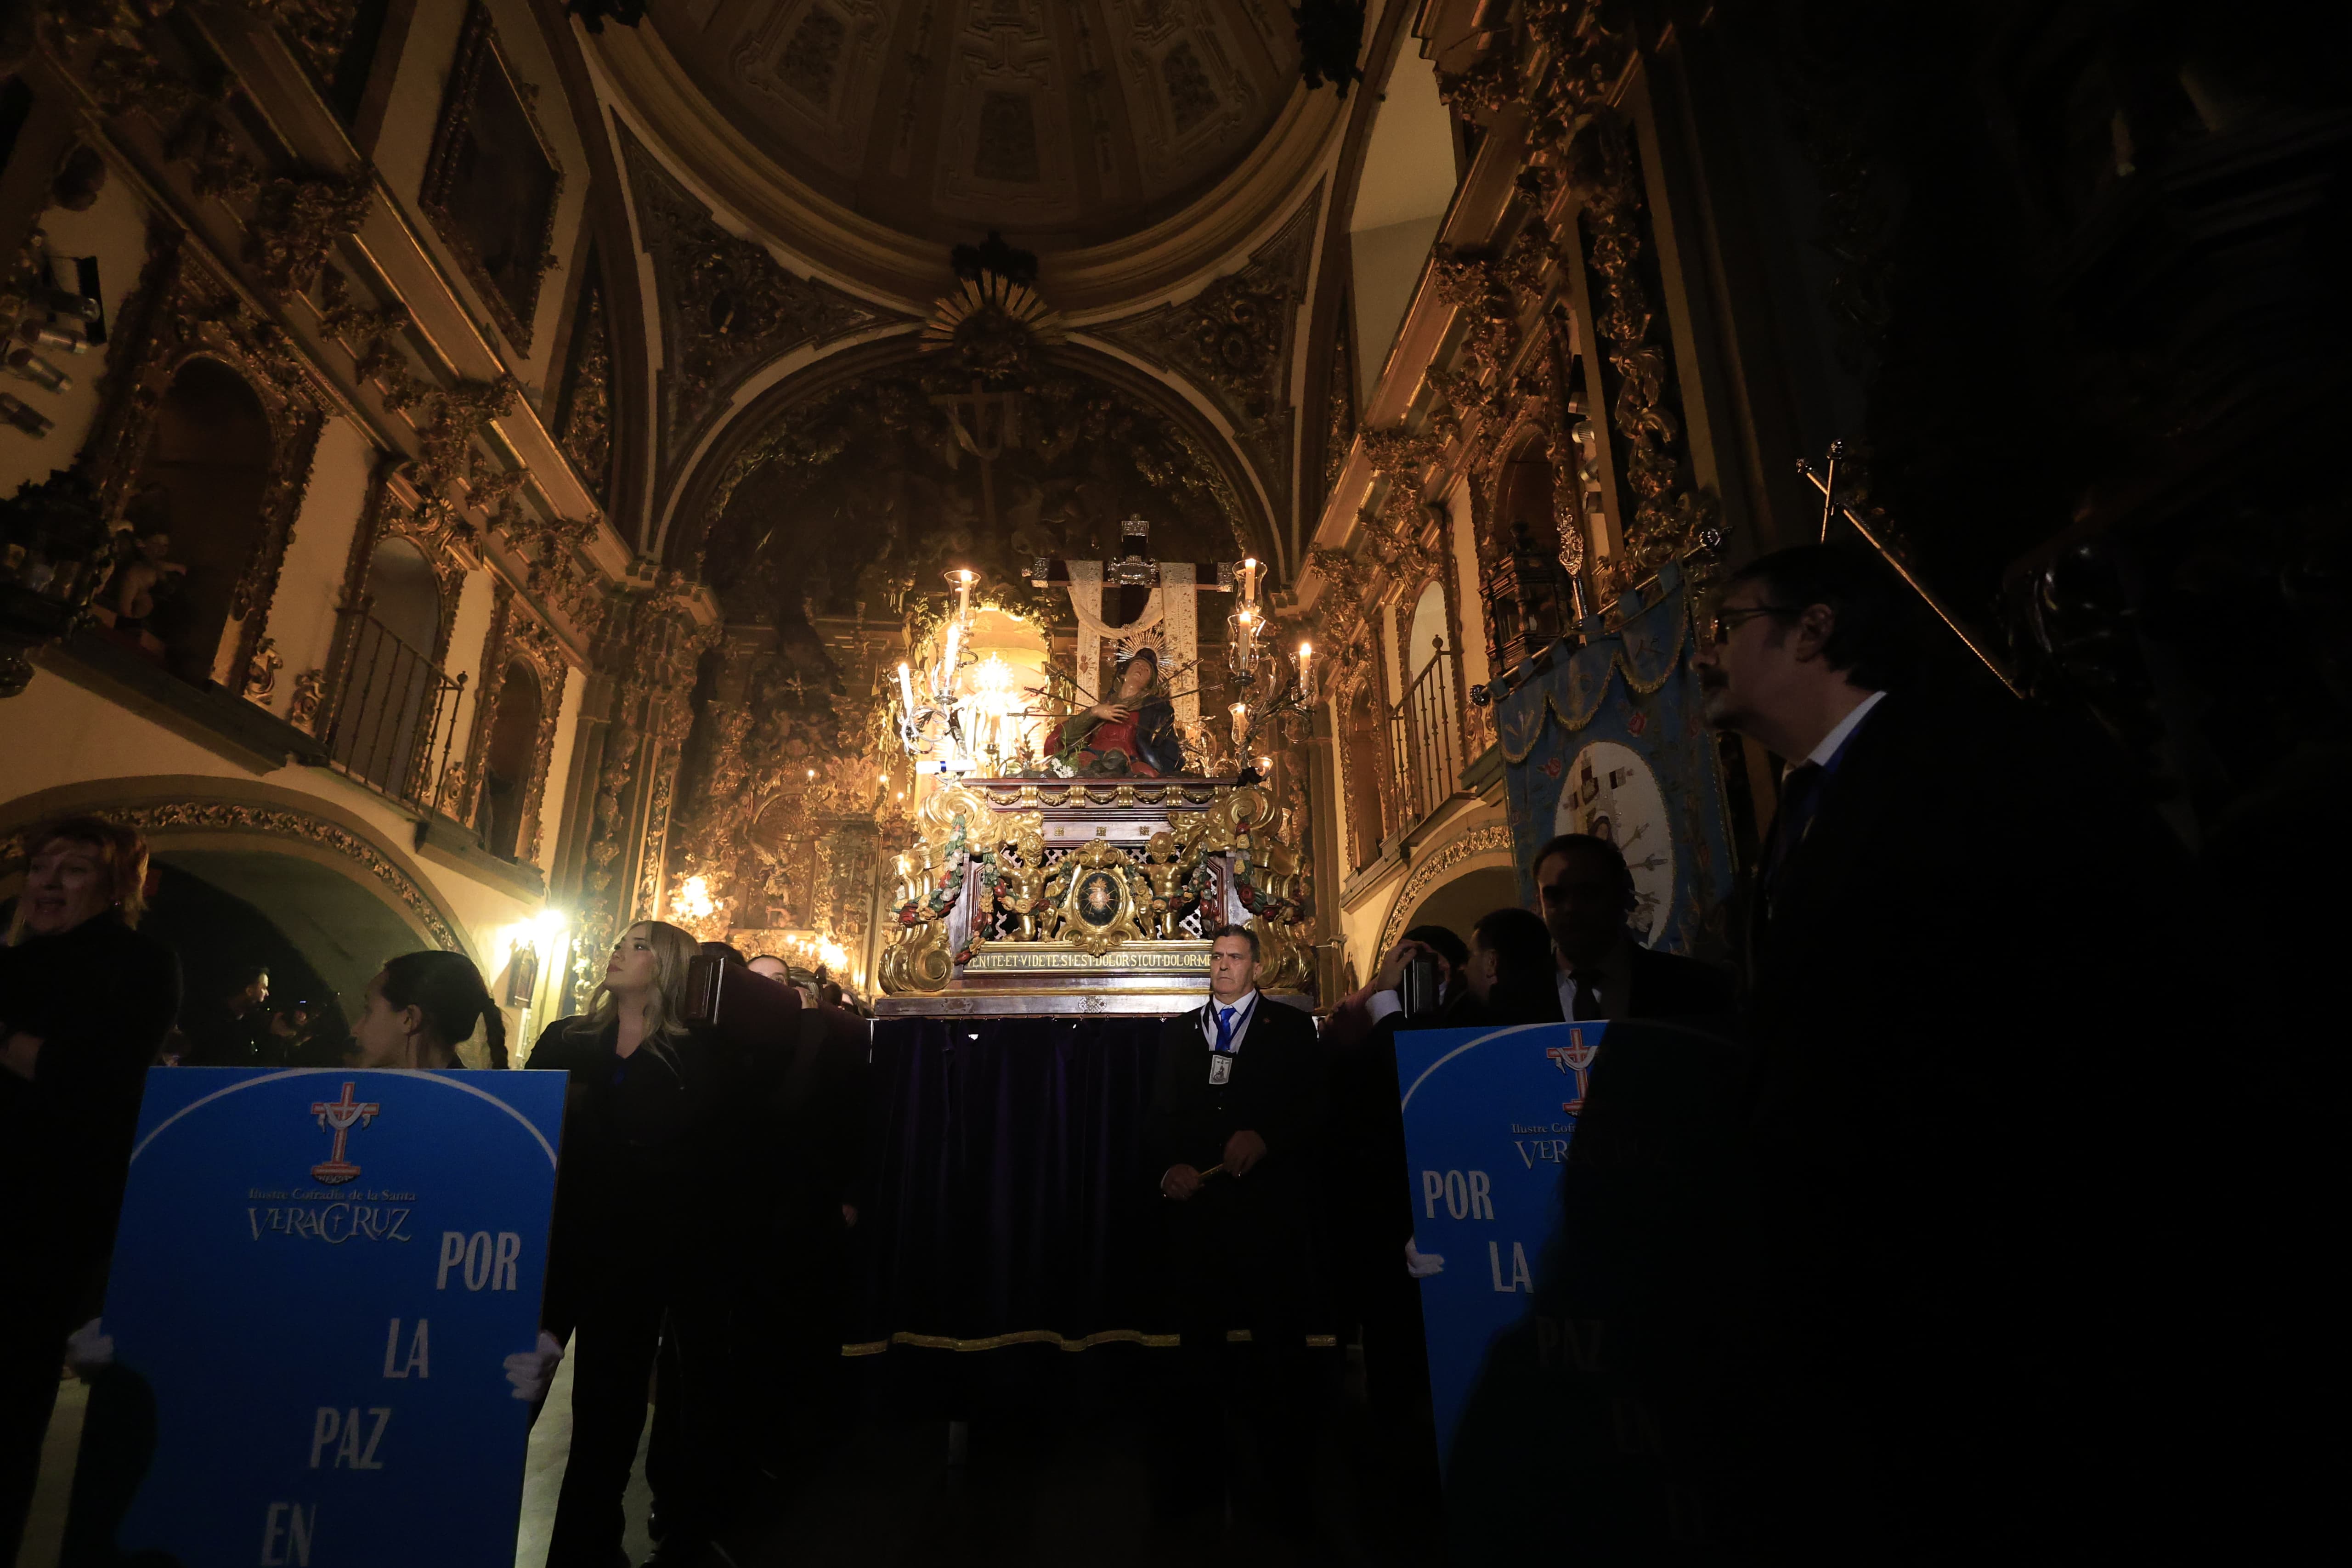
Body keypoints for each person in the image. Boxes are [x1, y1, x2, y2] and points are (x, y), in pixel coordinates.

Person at [1690, 544, 2182, 1558]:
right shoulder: (1801, 811)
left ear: (1814, 628)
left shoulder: (1981, 766)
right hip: (1870, 1307)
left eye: (1727, 622)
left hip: (2009, 1289)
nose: (1706, 651)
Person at [0, 817, 180, 1561]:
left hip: (40, 1219)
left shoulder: (137, 962)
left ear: (116, 888)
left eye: (73, 869)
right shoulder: (14, 957)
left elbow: (101, 1081)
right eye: (41, 865)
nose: (47, 881)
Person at [526, 921, 719, 1568]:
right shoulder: (568, 1037)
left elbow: (697, 1157)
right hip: (558, 1237)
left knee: (607, 1414)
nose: (620, 950)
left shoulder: (691, 1052)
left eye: (639, 945)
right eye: (622, 941)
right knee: (512, 1389)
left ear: (665, 965)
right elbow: (531, 1130)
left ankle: (583, 1552)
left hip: (636, 1251)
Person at [1145, 924, 1324, 1539]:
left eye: (1234, 958)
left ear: (1256, 967)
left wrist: (1267, 1139)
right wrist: (1168, 1166)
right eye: (1215, 957)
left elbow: (1314, 1110)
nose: (1222, 966)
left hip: (1265, 1219)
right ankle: (1195, 1481)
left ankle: (1287, 1484)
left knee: (1278, 1349)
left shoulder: (1293, 1030)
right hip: (1197, 1220)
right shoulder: (1176, 1034)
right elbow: (1160, 1114)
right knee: (1198, 1351)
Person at [1532, 833, 1737, 1020]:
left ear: (1621, 894)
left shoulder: (1698, 988)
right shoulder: (1509, 1002)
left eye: (1588, 892)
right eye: (1554, 895)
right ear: (1539, 903)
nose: (1570, 908)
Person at [1050, 645, 1183, 777]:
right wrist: (1095, 712)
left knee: (1144, 774)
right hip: (1093, 756)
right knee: (1078, 763)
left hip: (1130, 761)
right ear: (1123, 674)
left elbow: (1166, 749)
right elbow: (1067, 737)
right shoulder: (1104, 707)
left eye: (1147, 670)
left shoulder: (1155, 713)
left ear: (1149, 685)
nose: (1141, 668)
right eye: (1137, 664)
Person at [182, 962, 298, 1068]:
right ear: (249, 991)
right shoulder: (210, 1021)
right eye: (263, 988)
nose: (267, 994)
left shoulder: (246, 1026)